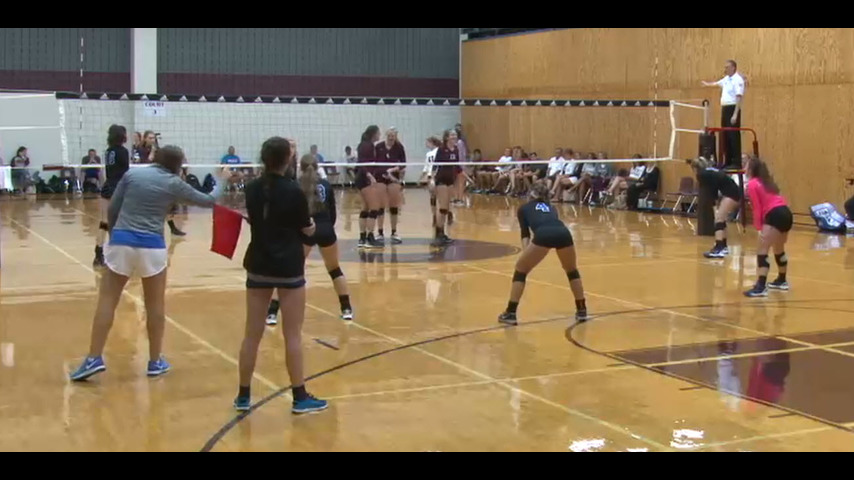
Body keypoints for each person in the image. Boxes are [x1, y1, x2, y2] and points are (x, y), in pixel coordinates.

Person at [70, 146, 229, 382]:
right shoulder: (174, 183)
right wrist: (222, 180)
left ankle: (94, 357)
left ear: (156, 158)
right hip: (152, 247)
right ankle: (155, 361)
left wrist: (115, 236)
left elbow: (113, 208)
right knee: (155, 306)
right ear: (177, 165)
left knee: (107, 301)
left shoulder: (133, 174)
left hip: (121, 242)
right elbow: (209, 200)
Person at [234, 137, 327, 414]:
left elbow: (254, 217)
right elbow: (307, 228)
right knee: (292, 335)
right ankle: (300, 397)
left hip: (258, 263)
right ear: (287, 159)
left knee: (252, 334)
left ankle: (243, 395)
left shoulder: (251, 188)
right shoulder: (294, 191)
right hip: (288, 266)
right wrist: (310, 227)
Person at [267, 154, 353, 324]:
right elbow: (333, 213)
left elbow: (292, 213)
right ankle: (347, 309)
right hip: (326, 229)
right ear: (317, 166)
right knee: (335, 270)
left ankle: (272, 313)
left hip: (306, 230)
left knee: (290, 271)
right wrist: (326, 227)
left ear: (301, 167)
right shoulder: (327, 185)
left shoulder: (295, 186)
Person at [498, 183, 588, 325]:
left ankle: (510, 312)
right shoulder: (551, 208)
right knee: (571, 271)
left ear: (532, 194)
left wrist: (525, 254)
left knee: (520, 270)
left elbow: (525, 233)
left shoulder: (523, 208)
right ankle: (582, 309)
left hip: (544, 234)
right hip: (564, 233)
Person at [743, 156, 793, 297]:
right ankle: (781, 280)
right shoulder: (767, 182)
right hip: (786, 212)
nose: (744, 168)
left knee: (762, 250)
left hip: (774, 215)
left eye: (746, 165)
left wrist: (759, 227)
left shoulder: (752, 184)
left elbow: (757, 207)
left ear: (751, 169)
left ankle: (760, 286)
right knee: (779, 249)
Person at [93, 126, 131, 267]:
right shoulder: (123, 151)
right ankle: (121, 255)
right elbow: (126, 173)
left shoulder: (108, 151)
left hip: (107, 187)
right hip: (119, 188)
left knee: (104, 223)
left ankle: (98, 254)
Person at [691, 157, 742, 258]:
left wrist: (714, 207)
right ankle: (723, 246)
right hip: (733, 192)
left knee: (718, 219)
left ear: (695, 168)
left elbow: (711, 190)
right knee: (721, 219)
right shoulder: (710, 170)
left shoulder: (702, 175)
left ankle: (719, 248)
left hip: (731, 194)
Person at [702, 59, 746, 167]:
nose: (725, 69)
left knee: (733, 136)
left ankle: (736, 162)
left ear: (733, 68)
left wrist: (735, 114)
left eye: (727, 67)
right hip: (725, 109)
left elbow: (739, 98)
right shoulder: (726, 79)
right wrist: (706, 84)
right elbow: (716, 83)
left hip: (732, 108)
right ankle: (728, 161)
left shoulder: (738, 80)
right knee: (725, 135)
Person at [374, 128, 406, 244]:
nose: (391, 137)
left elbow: (403, 164)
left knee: (394, 207)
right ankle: (380, 232)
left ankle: (394, 232)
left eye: (393, 135)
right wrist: (382, 173)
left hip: (394, 179)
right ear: (386, 135)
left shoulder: (399, 147)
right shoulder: (378, 147)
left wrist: (392, 170)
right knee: (380, 207)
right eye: (389, 135)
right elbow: (374, 163)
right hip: (380, 179)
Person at [355, 125, 383, 249]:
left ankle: (362, 238)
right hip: (365, 178)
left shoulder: (364, 144)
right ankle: (370, 237)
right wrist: (370, 176)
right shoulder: (367, 145)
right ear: (373, 134)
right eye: (378, 133)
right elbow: (363, 163)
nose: (379, 135)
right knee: (374, 208)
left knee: (365, 208)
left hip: (361, 178)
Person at [432, 129, 460, 247]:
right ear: (447, 137)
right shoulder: (442, 150)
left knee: (447, 208)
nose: (454, 136)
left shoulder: (456, 150)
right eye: (452, 135)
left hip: (450, 181)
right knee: (443, 208)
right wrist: (431, 180)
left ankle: (442, 234)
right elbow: (435, 166)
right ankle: (438, 235)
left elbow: (457, 167)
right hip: (441, 181)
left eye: (455, 135)